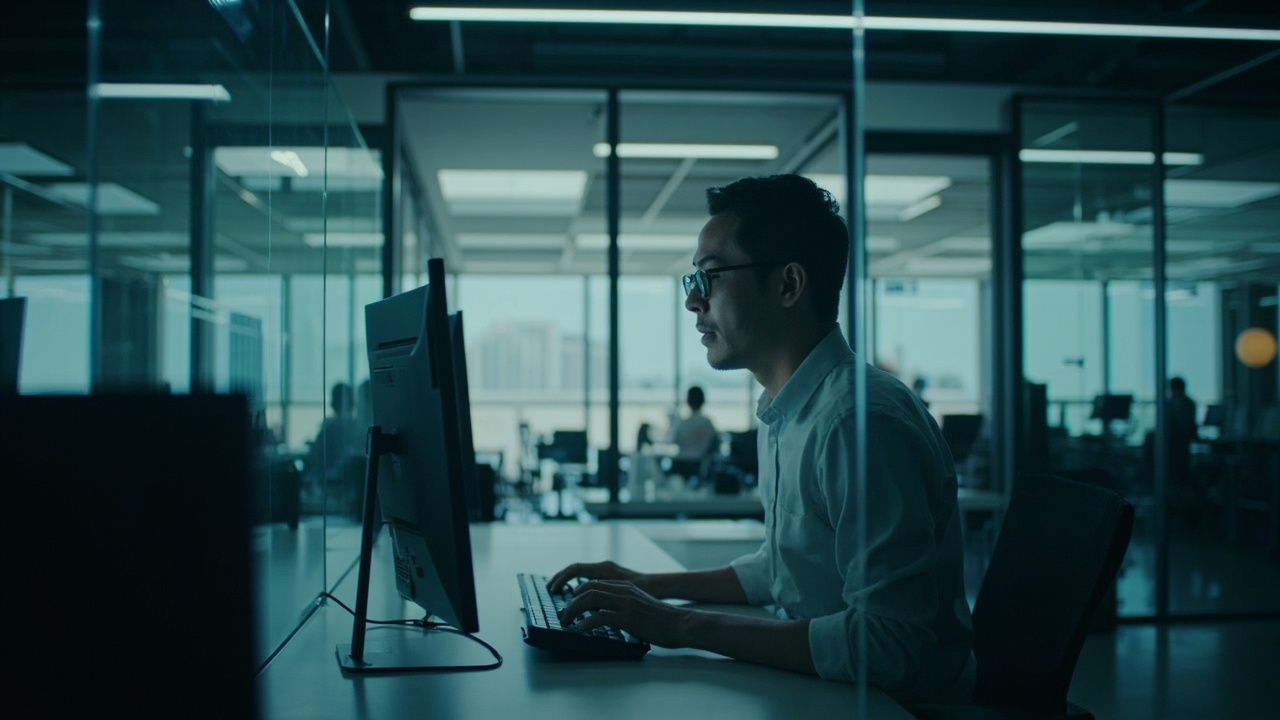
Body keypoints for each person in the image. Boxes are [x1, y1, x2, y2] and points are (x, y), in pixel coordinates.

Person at [549, 174, 974, 703]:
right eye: (693, 280)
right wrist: (645, 585)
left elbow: (888, 645)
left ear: (788, 285)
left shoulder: (858, 424)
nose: (693, 302)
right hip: (823, 690)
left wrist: (680, 628)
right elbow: (783, 568)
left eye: (711, 277)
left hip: (893, 708)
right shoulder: (790, 409)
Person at [664, 385, 718, 478]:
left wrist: (671, 424)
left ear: (687, 402)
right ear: (703, 401)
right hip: (699, 466)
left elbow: (671, 440)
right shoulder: (707, 424)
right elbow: (714, 444)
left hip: (680, 464)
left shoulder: (682, 423)